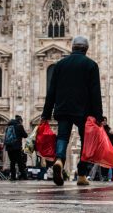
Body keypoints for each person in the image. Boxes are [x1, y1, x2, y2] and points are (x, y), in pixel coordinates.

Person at [41, 35, 103, 187]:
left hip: (63, 108)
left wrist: (46, 114)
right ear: (86, 49)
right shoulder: (91, 65)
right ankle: (81, 174)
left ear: (72, 48)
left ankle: (59, 160)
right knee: (85, 142)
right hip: (84, 110)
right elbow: (95, 93)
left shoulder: (60, 64)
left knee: (62, 137)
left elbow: (52, 91)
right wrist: (98, 116)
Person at [4, 114, 28, 181]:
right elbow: (25, 135)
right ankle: (24, 176)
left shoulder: (8, 127)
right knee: (20, 162)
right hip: (17, 147)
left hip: (9, 147)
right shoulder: (19, 126)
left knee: (12, 162)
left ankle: (13, 177)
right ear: (20, 120)